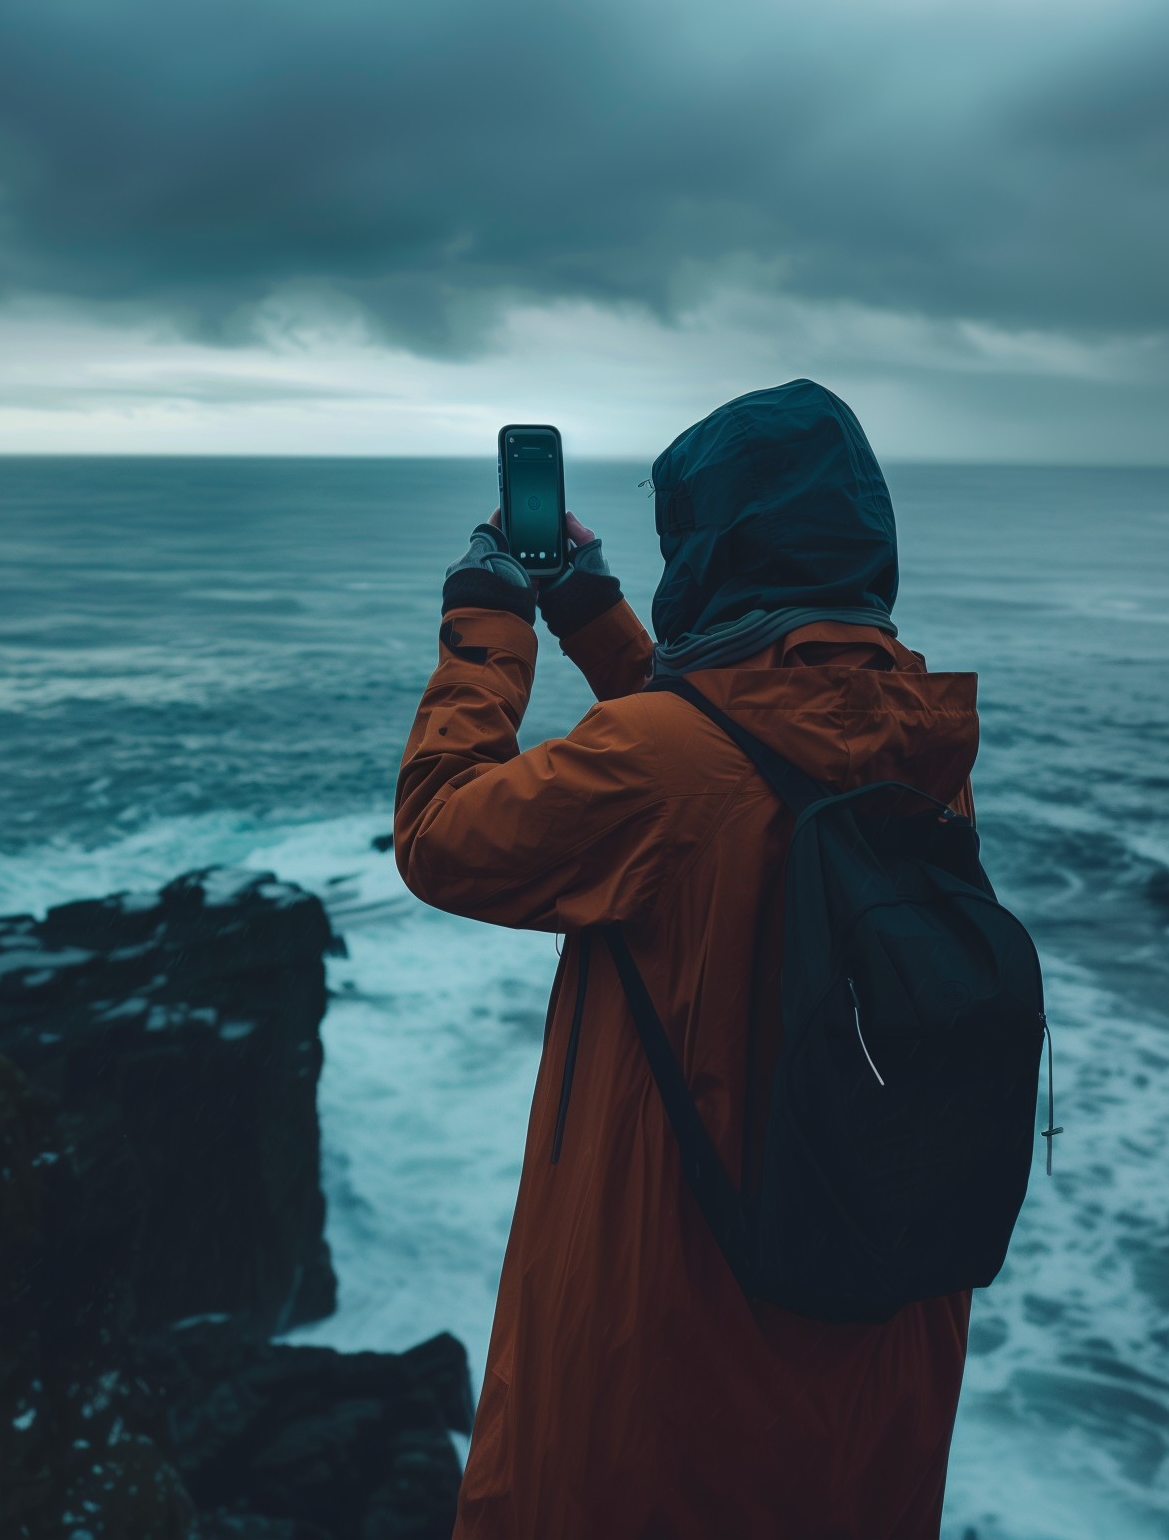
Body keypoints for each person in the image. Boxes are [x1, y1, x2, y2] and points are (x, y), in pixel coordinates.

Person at [394, 379, 980, 1539]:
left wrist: (490, 623)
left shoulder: (663, 769)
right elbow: (737, 759)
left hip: (660, 1383)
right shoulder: (921, 746)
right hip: (865, 1365)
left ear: (708, 549)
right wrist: (594, 617)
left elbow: (441, 832)